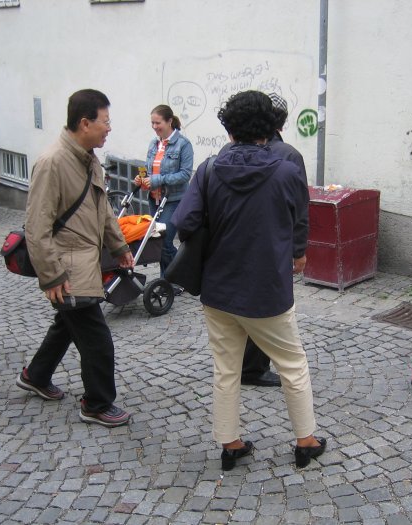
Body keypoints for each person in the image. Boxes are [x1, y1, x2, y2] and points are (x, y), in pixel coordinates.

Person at [172, 90, 326, 470]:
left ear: (229, 129)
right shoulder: (287, 171)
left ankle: (231, 444)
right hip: (266, 289)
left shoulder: (208, 169)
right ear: (269, 128)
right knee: (292, 364)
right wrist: (294, 250)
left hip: (218, 288)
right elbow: (298, 221)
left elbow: (184, 221)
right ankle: (305, 441)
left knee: (226, 370)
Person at [17, 89, 135, 428]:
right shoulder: (52, 162)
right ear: (85, 123)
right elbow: (36, 226)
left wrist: (119, 247)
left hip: (83, 262)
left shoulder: (88, 158)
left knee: (66, 325)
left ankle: (36, 375)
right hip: (67, 269)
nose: (109, 128)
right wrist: (51, 275)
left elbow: (103, 209)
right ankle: (96, 404)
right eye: (105, 122)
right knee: (97, 341)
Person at [231, 93, 309, 388]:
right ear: (281, 123)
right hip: (273, 244)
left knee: (242, 303)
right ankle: (253, 367)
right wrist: (299, 251)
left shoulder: (230, 152)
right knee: (269, 308)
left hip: (236, 243)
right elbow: (300, 209)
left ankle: (243, 364)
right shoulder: (289, 156)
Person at [134, 104, 194, 286]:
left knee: (165, 242)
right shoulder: (154, 143)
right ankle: (170, 279)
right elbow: (149, 168)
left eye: (157, 123)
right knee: (159, 243)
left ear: (169, 121)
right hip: (155, 199)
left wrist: (157, 180)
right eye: (152, 123)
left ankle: (175, 278)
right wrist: (142, 179)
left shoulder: (183, 144)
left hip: (173, 200)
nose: (154, 127)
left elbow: (185, 175)